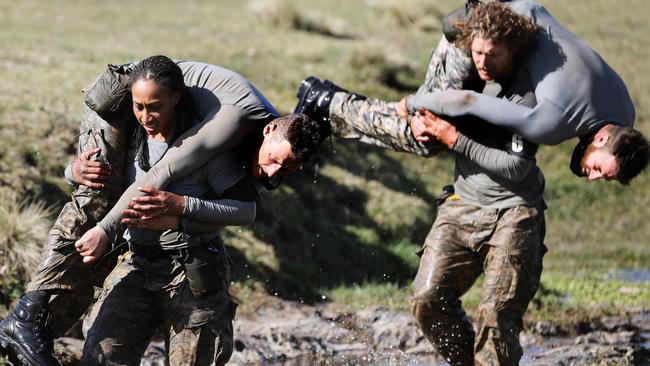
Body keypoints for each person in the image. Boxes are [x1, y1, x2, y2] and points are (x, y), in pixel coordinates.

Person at [0, 56, 328, 366]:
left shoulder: (238, 156)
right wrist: (79, 183)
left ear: (176, 100)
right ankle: (31, 314)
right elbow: (157, 176)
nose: (273, 173)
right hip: (138, 261)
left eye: (285, 169)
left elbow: (243, 210)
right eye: (273, 161)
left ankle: (34, 318)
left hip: (190, 269)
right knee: (96, 197)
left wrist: (182, 211)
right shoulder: (220, 125)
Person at [296, 2, 545, 364]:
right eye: (477, 52)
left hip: (514, 212)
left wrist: (451, 137)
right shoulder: (465, 74)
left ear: (513, 52)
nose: (483, 61)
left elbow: (515, 168)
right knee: (428, 301)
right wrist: (423, 117)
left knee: (497, 319)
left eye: (494, 55)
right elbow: (427, 105)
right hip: (463, 203)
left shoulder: (528, 94)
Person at [295, 0, 649, 184]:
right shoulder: (554, 124)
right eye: (603, 169)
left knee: (434, 123)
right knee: (423, 132)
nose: (597, 177)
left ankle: (334, 111)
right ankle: (326, 101)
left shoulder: (624, 111)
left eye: (608, 177)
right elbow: (466, 100)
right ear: (602, 137)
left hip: (514, 22)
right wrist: (412, 102)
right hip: (480, 35)